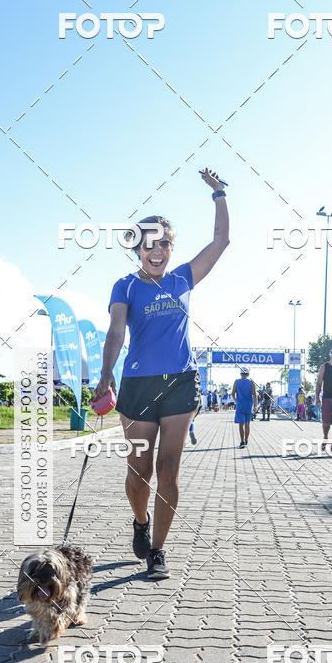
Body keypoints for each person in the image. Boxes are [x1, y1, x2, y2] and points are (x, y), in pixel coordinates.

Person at [94, 167, 229, 580]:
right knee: (140, 472)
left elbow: (221, 240)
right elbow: (117, 331)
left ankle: (157, 551)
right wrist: (106, 373)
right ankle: (140, 522)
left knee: (169, 470)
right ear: (137, 250)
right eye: (150, 245)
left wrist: (219, 194)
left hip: (179, 384)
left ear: (171, 248)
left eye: (165, 244)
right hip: (137, 385)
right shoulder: (125, 286)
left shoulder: (184, 278)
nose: (157, 251)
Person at [232, 367, 258, 448]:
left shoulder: (236, 382)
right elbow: (255, 395)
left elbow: (232, 393)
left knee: (241, 424)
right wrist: (255, 405)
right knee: (247, 424)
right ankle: (246, 440)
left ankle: (242, 441)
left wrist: (236, 400)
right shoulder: (252, 382)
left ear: (241, 374)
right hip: (249, 405)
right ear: (248, 374)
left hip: (240, 405)